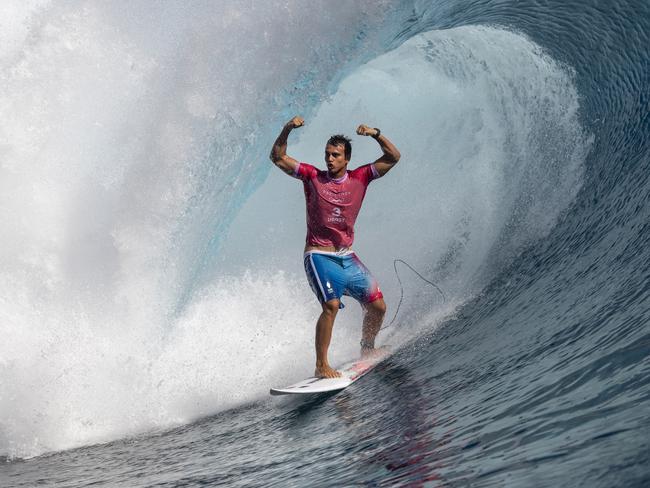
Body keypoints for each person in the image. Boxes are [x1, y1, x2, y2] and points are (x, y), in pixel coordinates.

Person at [269, 115, 401, 378]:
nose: (329, 159)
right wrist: (286, 129)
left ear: (346, 159)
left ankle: (367, 348)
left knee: (378, 307)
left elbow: (393, 157)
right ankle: (321, 365)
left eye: (336, 155)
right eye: (327, 154)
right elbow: (278, 157)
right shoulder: (312, 177)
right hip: (319, 255)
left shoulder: (360, 177)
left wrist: (376, 134)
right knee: (331, 305)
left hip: (347, 257)